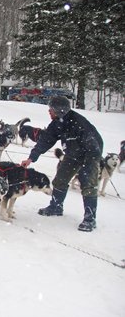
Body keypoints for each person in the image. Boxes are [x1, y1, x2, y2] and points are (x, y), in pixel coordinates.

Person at [20, 96, 103, 232]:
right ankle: (56, 207)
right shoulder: (57, 123)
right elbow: (45, 141)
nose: (49, 112)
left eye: (51, 109)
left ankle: (90, 218)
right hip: (73, 154)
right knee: (60, 180)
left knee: (88, 184)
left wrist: (87, 166)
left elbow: (94, 146)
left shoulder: (79, 123)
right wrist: (31, 158)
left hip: (91, 153)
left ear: (60, 110)